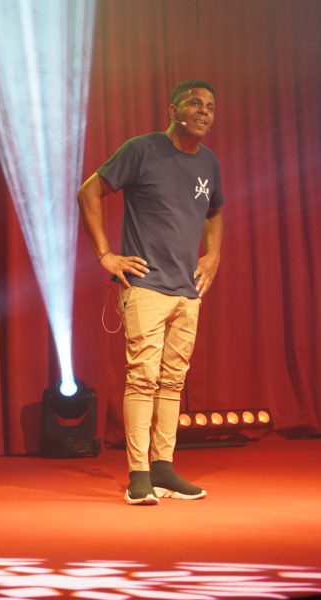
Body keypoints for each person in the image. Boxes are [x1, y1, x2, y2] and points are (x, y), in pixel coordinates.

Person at [77, 79, 224, 505]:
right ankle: (139, 474)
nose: (204, 111)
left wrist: (213, 255)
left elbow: (214, 211)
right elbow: (89, 191)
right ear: (173, 110)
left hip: (187, 290)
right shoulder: (141, 150)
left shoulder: (209, 161)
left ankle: (164, 467)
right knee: (142, 378)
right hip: (145, 285)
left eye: (210, 106)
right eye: (195, 103)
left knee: (173, 381)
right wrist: (105, 255)